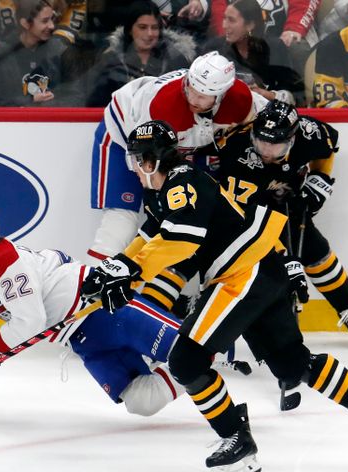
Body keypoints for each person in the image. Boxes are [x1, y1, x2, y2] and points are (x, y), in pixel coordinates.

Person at [82, 119, 348, 472]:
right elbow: (150, 235)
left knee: (185, 361)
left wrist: (128, 270)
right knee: (293, 364)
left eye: (136, 160)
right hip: (264, 270)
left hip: (241, 275)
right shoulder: (167, 190)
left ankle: (237, 440)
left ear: (151, 160)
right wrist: (116, 266)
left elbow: (182, 240)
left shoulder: (182, 181)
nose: (133, 169)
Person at [0, 207, 188, 419]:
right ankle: (198, 364)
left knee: (188, 350)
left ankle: (217, 343)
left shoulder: (3, 260)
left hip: (102, 310)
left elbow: (31, 322)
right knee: (141, 401)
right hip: (81, 338)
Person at [87, 51, 266, 312]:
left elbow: (266, 116)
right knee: (122, 218)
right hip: (126, 139)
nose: (193, 98)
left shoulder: (239, 100)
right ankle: (91, 289)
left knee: (200, 216)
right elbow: (145, 165)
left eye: (203, 95)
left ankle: (176, 299)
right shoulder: (163, 105)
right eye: (191, 88)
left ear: (221, 95)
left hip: (184, 148)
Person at [212, 99, 348, 342]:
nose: (267, 152)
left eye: (275, 146)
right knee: (259, 268)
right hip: (245, 215)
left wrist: (319, 178)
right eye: (261, 143)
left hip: (289, 204)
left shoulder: (310, 134)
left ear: (292, 138)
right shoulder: (233, 144)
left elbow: (330, 148)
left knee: (316, 251)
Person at [85, 1, 197, 107]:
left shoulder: (176, 60)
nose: (149, 34)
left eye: (154, 28)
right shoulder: (111, 61)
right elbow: (95, 104)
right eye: (142, 27)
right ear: (129, 29)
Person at [201, 0, 304, 105]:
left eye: (231, 20)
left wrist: (267, 95)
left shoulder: (275, 48)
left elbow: (297, 95)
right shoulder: (214, 49)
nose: (224, 25)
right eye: (224, 18)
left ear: (250, 25)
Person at [0, 0, 67, 106]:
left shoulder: (58, 50)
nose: (52, 26)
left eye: (52, 19)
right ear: (26, 23)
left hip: (51, 121)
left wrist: (51, 105)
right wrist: (29, 101)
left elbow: (74, 94)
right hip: (14, 122)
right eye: (45, 21)